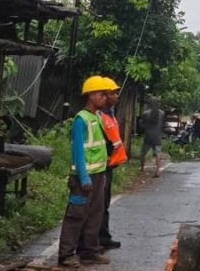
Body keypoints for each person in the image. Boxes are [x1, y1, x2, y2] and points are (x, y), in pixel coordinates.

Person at [58, 76, 116, 268]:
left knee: (94, 216)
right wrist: (84, 177)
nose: (105, 98)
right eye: (102, 94)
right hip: (84, 178)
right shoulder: (81, 120)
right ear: (91, 95)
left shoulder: (97, 117)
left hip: (98, 176)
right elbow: (78, 153)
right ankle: (66, 255)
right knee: (76, 216)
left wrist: (103, 175)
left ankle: (89, 252)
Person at [96, 78, 127, 252]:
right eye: (113, 93)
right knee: (97, 205)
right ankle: (93, 242)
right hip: (100, 165)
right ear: (105, 95)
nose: (116, 95)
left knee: (104, 204)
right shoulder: (99, 115)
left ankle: (103, 237)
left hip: (109, 165)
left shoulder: (110, 113)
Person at [139, 97, 165, 177]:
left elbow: (141, 124)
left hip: (148, 136)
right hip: (157, 136)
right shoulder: (161, 113)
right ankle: (157, 171)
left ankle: (142, 168)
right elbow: (162, 125)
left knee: (143, 153)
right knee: (158, 153)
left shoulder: (145, 113)